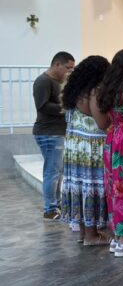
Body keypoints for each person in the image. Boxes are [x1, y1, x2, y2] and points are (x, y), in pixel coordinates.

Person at [92, 49, 123, 257]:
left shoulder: (105, 89)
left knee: (114, 188)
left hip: (112, 140)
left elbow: (103, 122)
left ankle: (118, 237)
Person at [60, 55, 111, 245]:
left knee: (79, 187)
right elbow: (101, 122)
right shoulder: (95, 91)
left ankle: (84, 233)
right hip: (91, 148)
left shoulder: (75, 90)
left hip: (75, 146)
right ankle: (91, 236)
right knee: (91, 186)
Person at [32, 51, 75, 221]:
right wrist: (66, 108)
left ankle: (56, 204)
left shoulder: (59, 81)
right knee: (52, 172)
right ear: (57, 64)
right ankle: (50, 209)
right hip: (49, 133)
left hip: (56, 132)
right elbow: (42, 106)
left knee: (57, 171)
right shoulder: (43, 81)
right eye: (68, 68)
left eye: (72, 68)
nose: (70, 71)